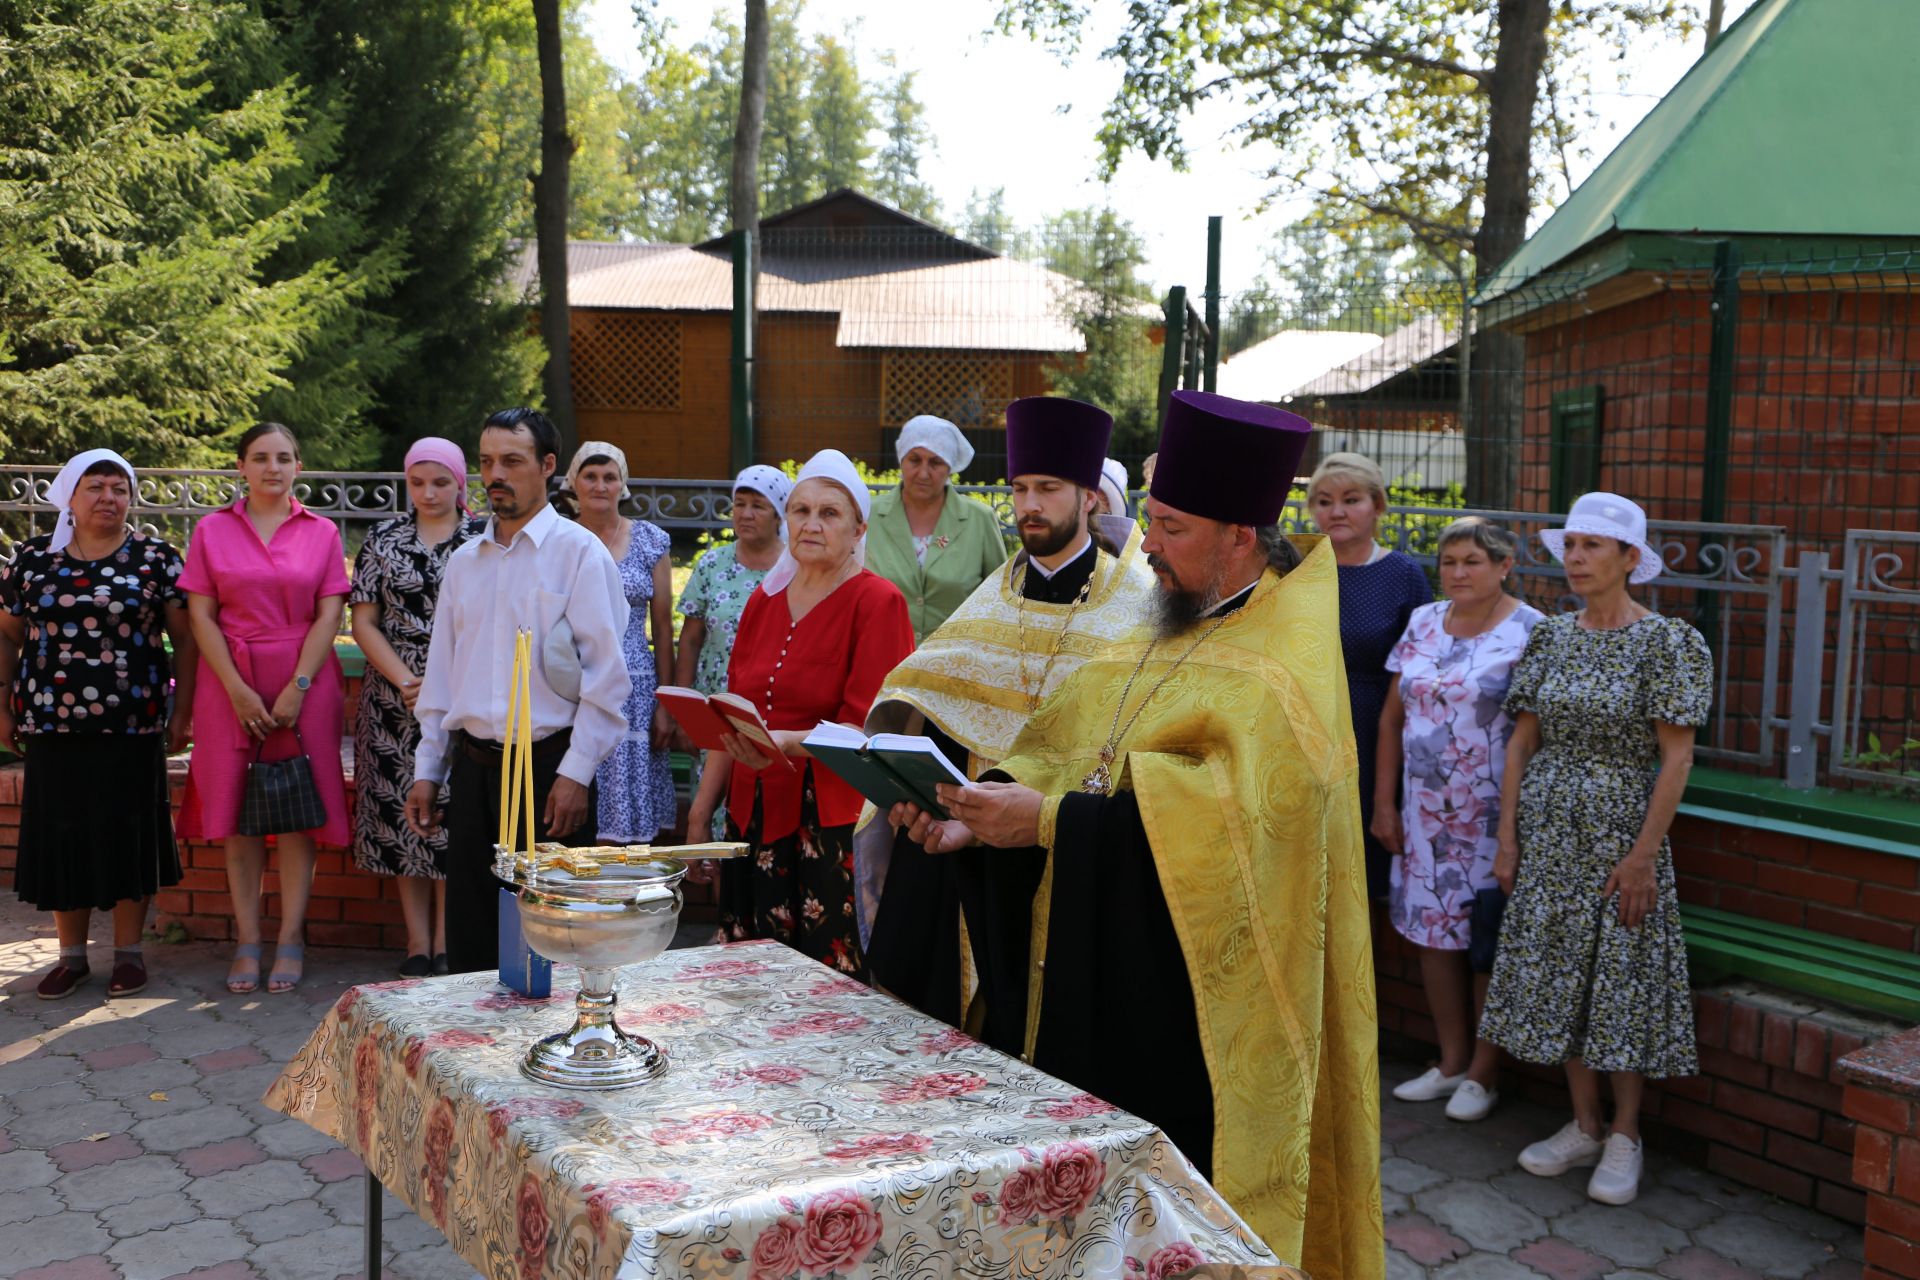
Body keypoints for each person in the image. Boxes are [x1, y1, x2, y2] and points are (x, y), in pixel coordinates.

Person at [892, 390, 1382, 1280]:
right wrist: (983, 812)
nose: (1146, 543)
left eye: (1172, 527)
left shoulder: (1286, 660)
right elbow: (1068, 747)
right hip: (1090, 956)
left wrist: (1048, 821)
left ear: (1242, 537)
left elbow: (1249, 828)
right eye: (1149, 522)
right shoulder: (1165, 616)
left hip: (1190, 1013)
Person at [860, 397, 1157, 1023]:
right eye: (1020, 488)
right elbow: (929, 700)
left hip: (1065, 853)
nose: (1029, 505)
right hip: (967, 854)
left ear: (1089, 498)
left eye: (1048, 488)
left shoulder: (1137, 605)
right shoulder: (992, 597)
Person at [1479, 492, 1710, 1206]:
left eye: (1592, 547)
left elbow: (1675, 761)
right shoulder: (1551, 636)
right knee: (1561, 980)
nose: (1575, 559)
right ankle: (1582, 1124)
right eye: (1570, 546)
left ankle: (1626, 1135)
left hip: (1619, 840)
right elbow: (1522, 741)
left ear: (1630, 560)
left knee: (1619, 983)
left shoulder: (1669, 642)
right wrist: (1508, 837)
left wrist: (1643, 856)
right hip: (1547, 837)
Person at [404, 408, 631, 974]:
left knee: (554, 943)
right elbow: (442, 676)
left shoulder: (579, 554)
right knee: (475, 942)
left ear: (548, 466)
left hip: (550, 774)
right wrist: (428, 768)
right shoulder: (463, 563)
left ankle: (559, 1053)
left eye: (511, 460)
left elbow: (607, 677)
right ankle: (474, 1058)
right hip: (477, 772)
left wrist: (577, 773)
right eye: (486, 462)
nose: (495, 474)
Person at [699, 450, 914, 974]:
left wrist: (785, 741)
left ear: (859, 527)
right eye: (800, 510)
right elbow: (734, 708)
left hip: (827, 817)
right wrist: (701, 809)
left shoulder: (877, 601)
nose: (811, 524)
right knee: (749, 971)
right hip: (752, 809)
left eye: (829, 513)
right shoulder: (763, 600)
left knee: (821, 973)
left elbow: (868, 725)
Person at [1, 450, 195, 999]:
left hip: (132, 722)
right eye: (95, 486)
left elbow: (184, 640)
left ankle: (129, 954)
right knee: (64, 833)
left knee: (126, 831)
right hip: (50, 723)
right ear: (70, 495)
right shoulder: (33, 559)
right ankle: (71, 957)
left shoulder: (156, 558)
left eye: (119, 488)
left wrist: (183, 711)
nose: (108, 497)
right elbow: (7, 633)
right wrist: (1, 702)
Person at [1374, 518, 1544, 1122]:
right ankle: (1449, 1062)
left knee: (1485, 941)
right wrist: (1384, 802)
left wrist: (1514, 833)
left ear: (1504, 567)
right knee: (1431, 936)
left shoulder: (1531, 632)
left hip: (1494, 815)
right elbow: (1392, 718)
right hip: (1423, 815)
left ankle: (1483, 1073)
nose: (1459, 573)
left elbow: (1536, 733)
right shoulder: (1424, 622)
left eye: (1473, 561)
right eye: (1449, 562)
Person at [179, 423, 350, 995]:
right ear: (241, 467)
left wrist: (298, 685)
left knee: (298, 810)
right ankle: (248, 940)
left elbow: (331, 615)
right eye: (260, 458)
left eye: (283, 458)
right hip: (229, 683)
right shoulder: (212, 529)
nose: (272, 467)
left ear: (298, 466)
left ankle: (291, 938)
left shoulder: (322, 531)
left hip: (304, 681)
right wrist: (235, 688)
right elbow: (200, 615)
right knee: (238, 815)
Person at [349, 438, 484, 977]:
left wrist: (446, 684)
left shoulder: (484, 539)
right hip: (393, 701)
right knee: (405, 820)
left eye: (441, 482)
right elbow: (363, 620)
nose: (429, 493)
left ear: (460, 484)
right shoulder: (383, 538)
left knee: (456, 818)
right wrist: (408, 679)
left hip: (465, 697)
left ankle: (453, 939)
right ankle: (416, 943)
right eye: (418, 483)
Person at [1308, 451, 1434, 900]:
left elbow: (1423, 669)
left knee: (1359, 873)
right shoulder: (1295, 570)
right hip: (1303, 728)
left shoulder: (1402, 575)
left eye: (1351, 499)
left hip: (1373, 732)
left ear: (1378, 506)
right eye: (1323, 501)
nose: (1336, 511)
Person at [568, 441, 675, 845]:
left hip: (635, 686)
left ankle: (625, 898)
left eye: (609, 477)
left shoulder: (649, 540)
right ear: (573, 482)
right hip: (571, 684)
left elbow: (663, 627)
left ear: (622, 484)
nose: (600, 485)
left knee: (628, 811)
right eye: (590, 476)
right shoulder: (559, 538)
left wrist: (666, 701)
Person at [675, 465, 790, 841]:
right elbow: (690, 640)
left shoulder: (796, 567)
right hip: (715, 710)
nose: (745, 513)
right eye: (739, 504)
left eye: (758, 505)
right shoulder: (712, 564)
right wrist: (684, 711)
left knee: (759, 820)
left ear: (779, 514)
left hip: (771, 715)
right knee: (710, 819)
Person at [865, 415, 1007, 643]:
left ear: (950, 467)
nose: (923, 473)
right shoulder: (869, 517)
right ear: (901, 459)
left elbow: (1001, 598)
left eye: (935, 462)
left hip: (955, 664)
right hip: (883, 657)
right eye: (914, 460)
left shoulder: (979, 520)